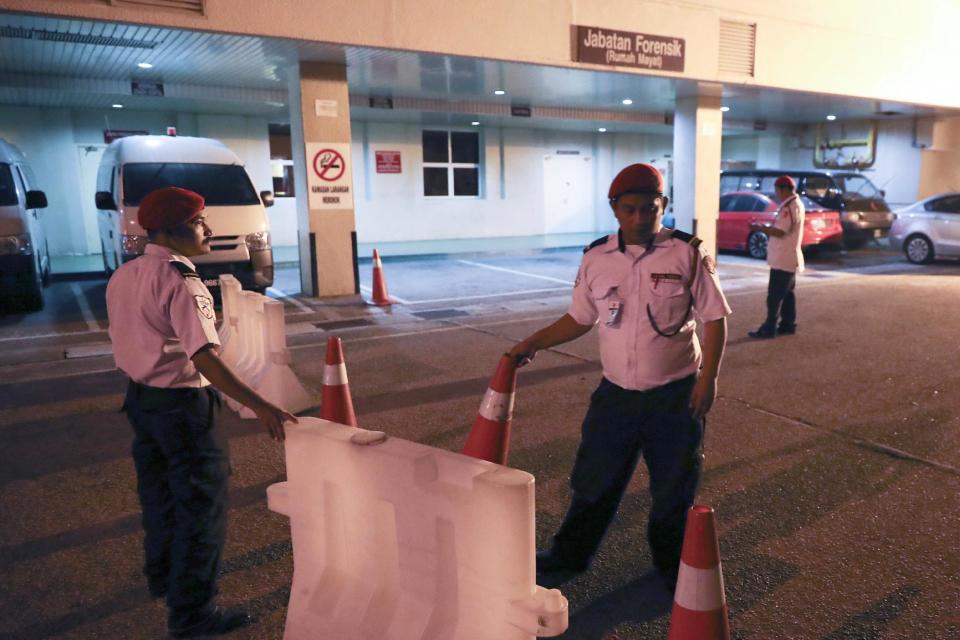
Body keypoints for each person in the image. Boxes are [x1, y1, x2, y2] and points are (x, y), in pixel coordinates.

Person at [507, 163, 731, 588]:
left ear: (663, 205)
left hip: (675, 395)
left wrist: (709, 379)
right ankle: (570, 554)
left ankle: (671, 566)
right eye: (631, 209)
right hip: (616, 396)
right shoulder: (596, 257)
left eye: (651, 208)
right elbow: (580, 317)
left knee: (673, 488)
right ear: (614, 209)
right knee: (593, 479)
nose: (641, 217)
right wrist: (533, 341)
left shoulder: (687, 252)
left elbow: (715, 319)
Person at [105, 187, 298, 638]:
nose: (207, 229)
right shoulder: (181, 281)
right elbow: (205, 358)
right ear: (172, 231)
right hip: (182, 408)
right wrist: (261, 405)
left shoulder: (126, 274)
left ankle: (162, 575)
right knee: (200, 506)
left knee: (160, 495)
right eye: (198, 222)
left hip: (140, 400)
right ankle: (192, 614)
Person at [747, 175, 805, 339]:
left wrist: (760, 228)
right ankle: (787, 324)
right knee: (787, 295)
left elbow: (781, 231)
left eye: (777, 190)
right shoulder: (794, 205)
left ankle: (769, 327)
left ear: (785, 189)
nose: (777, 194)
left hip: (783, 258)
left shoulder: (789, 207)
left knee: (774, 296)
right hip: (787, 257)